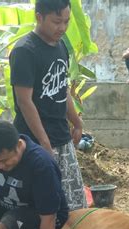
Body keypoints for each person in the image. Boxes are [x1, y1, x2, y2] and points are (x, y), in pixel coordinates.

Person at [9, 0, 86, 210]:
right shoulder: (25, 51)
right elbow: (24, 102)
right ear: (39, 17)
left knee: (74, 204)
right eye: (56, 22)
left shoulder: (61, 46)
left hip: (62, 137)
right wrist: (44, 143)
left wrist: (77, 123)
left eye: (66, 21)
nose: (62, 27)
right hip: (34, 141)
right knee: (43, 207)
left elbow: (63, 89)